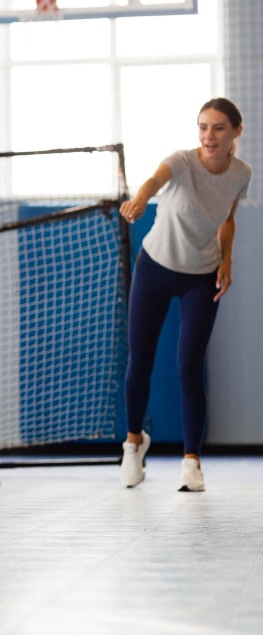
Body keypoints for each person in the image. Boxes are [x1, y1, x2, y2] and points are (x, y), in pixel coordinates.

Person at [118, 97, 251, 492]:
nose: (209, 136)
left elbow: (228, 219)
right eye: (203, 127)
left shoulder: (241, 173)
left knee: (189, 366)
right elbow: (152, 183)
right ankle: (133, 444)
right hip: (155, 269)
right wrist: (139, 201)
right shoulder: (181, 161)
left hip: (201, 277)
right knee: (139, 360)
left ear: (236, 132)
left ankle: (192, 462)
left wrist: (227, 260)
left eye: (219, 128)